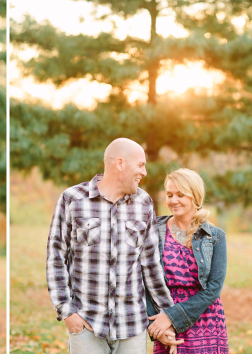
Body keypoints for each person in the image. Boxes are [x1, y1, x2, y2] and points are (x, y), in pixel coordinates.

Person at [47, 138, 183, 354]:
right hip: (86, 325)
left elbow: (151, 265)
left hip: (132, 327)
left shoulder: (143, 203)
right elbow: (56, 258)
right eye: (140, 165)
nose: (144, 172)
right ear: (120, 163)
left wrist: (167, 315)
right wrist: (67, 312)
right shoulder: (72, 200)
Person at [146, 168, 229, 354]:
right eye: (169, 195)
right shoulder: (154, 230)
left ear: (195, 196)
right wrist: (158, 324)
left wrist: (172, 317)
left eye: (180, 195)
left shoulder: (215, 236)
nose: (173, 200)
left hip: (205, 318)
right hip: (164, 314)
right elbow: (145, 280)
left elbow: (214, 288)